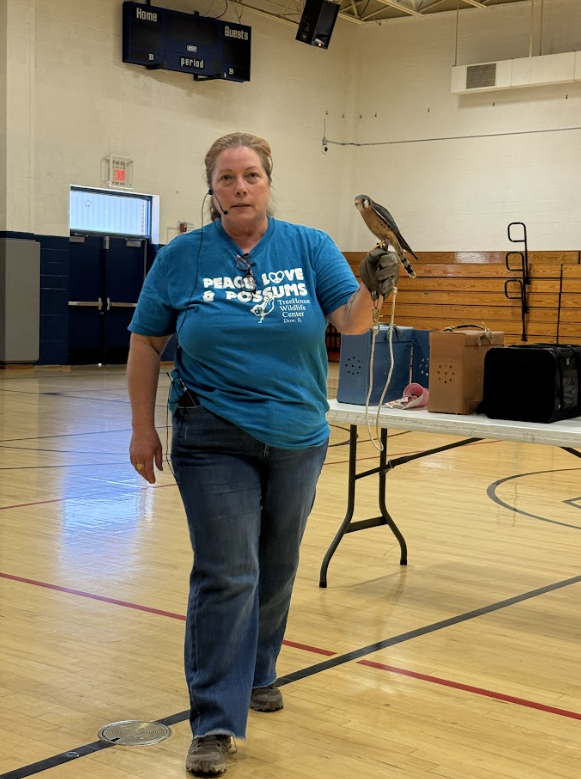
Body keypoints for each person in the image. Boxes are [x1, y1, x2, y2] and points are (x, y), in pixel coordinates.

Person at [126, 132, 398, 775]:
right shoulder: (184, 256)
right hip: (210, 430)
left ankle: (258, 671)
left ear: (269, 182)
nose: (239, 188)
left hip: (299, 433)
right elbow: (145, 344)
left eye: (250, 176)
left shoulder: (308, 246)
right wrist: (142, 427)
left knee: (276, 565)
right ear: (212, 188)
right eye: (226, 179)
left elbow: (352, 323)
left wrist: (372, 287)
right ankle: (215, 721)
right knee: (227, 571)